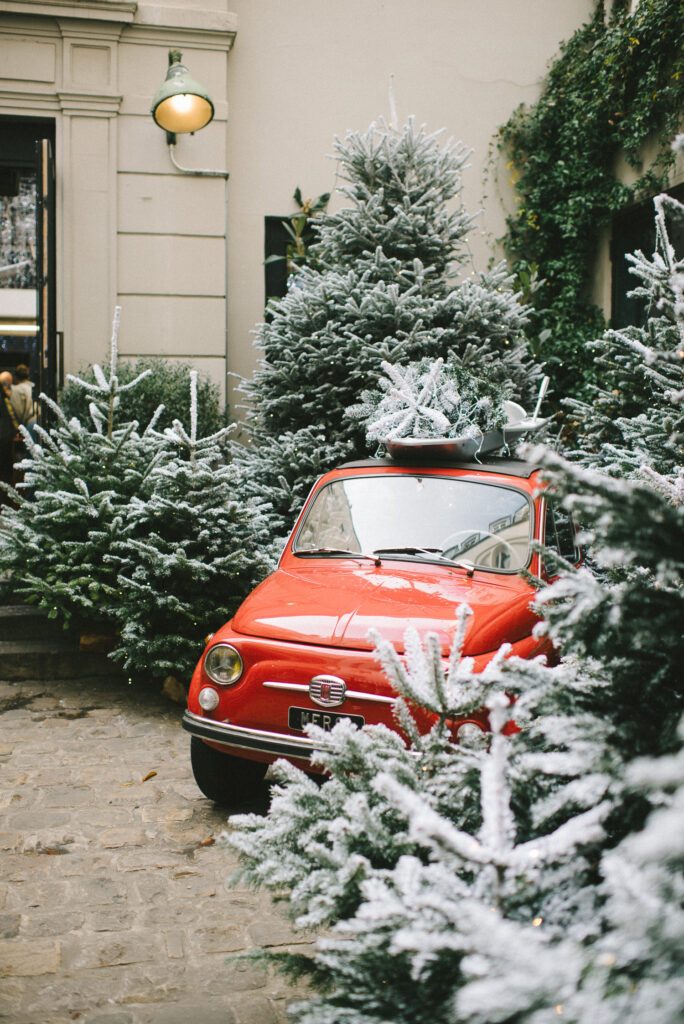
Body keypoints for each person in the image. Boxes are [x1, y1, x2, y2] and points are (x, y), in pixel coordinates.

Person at [0, 370, 20, 489]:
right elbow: (10, 415)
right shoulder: (4, 398)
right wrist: (16, 430)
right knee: (6, 470)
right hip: (4, 436)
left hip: (4, 434)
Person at [10, 364, 36, 428]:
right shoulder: (34, 386)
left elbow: (18, 411)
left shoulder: (16, 389)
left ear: (15, 377)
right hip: (39, 420)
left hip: (30, 423)